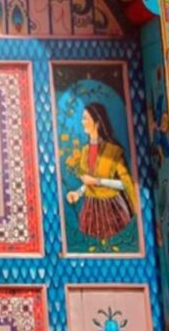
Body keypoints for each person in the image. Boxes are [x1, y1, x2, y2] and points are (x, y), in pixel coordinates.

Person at [65, 102, 137, 240]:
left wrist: (98, 181)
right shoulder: (85, 151)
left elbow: (125, 184)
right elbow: (88, 182)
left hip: (112, 208)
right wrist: (78, 193)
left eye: (86, 118)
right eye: (82, 118)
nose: (82, 122)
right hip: (90, 209)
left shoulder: (113, 151)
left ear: (97, 122)